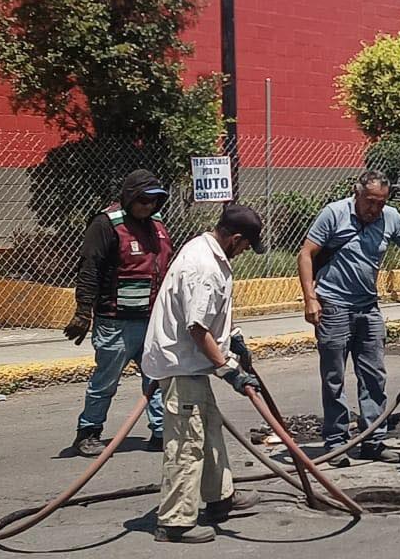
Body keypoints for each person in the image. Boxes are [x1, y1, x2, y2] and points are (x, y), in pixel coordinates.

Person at [141, 204, 266, 544]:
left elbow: (209, 317)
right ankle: (175, 522)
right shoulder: (205, 268)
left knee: (209, 433)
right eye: (244, 246)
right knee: (186, 446)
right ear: (235, 238)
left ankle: (220, 498)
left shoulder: (205, 250)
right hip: (182, 366)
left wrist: (232, 337)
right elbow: (197, 328)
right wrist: (229, 370)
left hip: (191, 366)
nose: (244, 253)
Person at [297, 170, 400, 467]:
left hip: (368, 307)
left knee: (374, 376)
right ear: (357, 194)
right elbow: (306, 254)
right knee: (334, 378)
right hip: (333, 306)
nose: (374, 209)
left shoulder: (390, 217)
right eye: (369, 202)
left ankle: (373, 440)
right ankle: (337, 442)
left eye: (380, 203)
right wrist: (310, 299)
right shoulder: (333, 214)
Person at [65, 169, 172, 457]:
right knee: (105, 381)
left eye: (154, 201)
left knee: (157, 378)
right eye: (143, 200)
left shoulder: (157, 226)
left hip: (152, 320)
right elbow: (90, 267)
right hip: (116, 322)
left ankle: (161, 431)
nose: (148, 207)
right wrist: (83, 311)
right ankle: (88, 432)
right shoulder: (106, 224)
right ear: (130, 197)